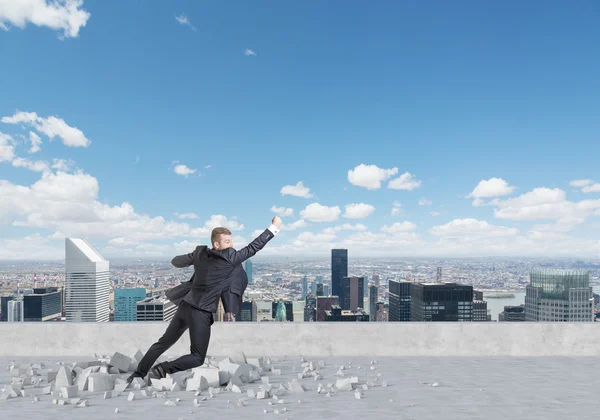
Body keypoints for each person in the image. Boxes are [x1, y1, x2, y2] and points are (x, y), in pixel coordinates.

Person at [126, 216, 282, 383]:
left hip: (185, 305)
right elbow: (254, 247)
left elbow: (176, 262)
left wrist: (193, 257)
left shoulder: (200, 253)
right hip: (201, 312)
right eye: (227, 242)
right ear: (217, 244)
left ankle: (138, 374)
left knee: (163, 342)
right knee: (197, 357)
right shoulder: (230, 258)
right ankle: (163, 369)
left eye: (231, 241)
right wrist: (274, 227)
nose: (231, 245)